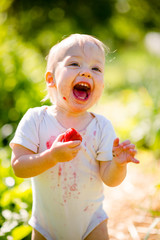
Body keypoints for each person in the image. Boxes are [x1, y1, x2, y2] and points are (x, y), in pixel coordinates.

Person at [10, 34, 139, 240]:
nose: (86, 73)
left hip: (91, 223)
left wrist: (118, 165)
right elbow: (18, 166)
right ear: (51, 79)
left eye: (96, 69)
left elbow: (110, 179)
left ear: (102, 86)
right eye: (75, 64)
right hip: (46, 225)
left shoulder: (101, 126)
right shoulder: (35, 120)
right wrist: (51, 157)